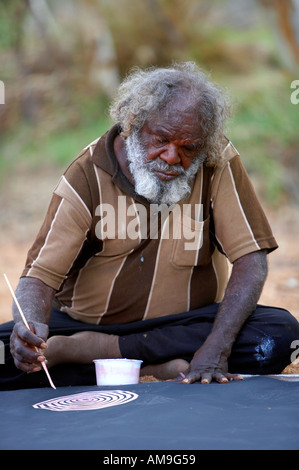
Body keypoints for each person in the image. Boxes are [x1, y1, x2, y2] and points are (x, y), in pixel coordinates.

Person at [1, 62, 299, 390]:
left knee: (277, 337)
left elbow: (251, 261)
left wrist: (217, 348)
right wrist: (30, 327)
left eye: (189, 147)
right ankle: (148, 365)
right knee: (8, 354)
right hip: (85, 325)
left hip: (185, 325)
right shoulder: (86, 174)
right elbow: (38, 279)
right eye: (161, 139)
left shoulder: (218, 160)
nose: (172, 156)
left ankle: (94, 357)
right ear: (132, 124)